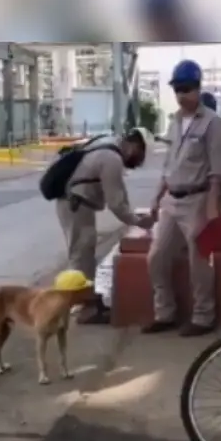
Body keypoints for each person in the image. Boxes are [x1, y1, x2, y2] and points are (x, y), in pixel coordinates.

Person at [144, 60, 221, 337]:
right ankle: (164, 313)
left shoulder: (213, 123)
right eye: (178, 89)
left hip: (198, 200)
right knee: (157, 257)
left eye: (187, 89)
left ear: (198, 88)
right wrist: (156, 199)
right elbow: (168, 166)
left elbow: (216, 170)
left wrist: (212, 207)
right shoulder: (175, 122)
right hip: (172, 200)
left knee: (199, 261)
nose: (182, 95)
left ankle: (203, 316)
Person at [56, 128, 157, 323]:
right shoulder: (112, 159)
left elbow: (119, 193)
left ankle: (88, 300)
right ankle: (83, 307)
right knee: (81, 254)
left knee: (84, 252)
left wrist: (133, 215)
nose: (139, 161)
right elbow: (116, 203)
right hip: (75, 204)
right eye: (141, 155)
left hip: (74, 203)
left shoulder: (108, 143)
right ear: (135, 146)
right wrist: (138, 221)